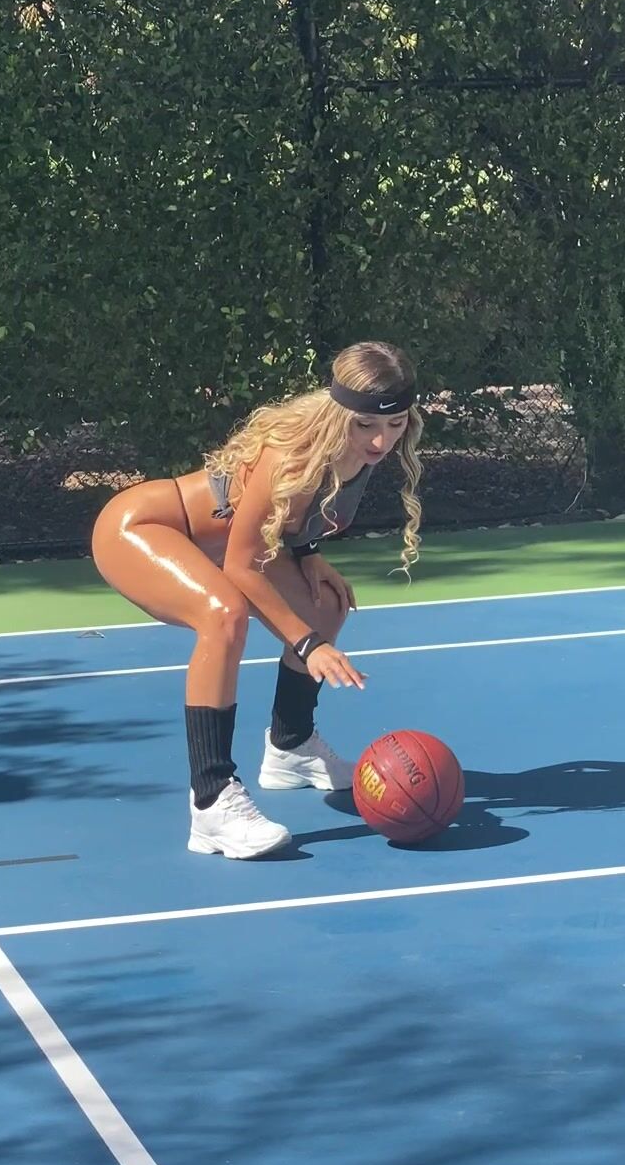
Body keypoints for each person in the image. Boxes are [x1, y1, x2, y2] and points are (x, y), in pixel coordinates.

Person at [90, 341, 423, 858]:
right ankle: (211, 800)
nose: (381, 439)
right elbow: (241, 564)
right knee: (223, 614)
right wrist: (309, 645)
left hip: (228, 545)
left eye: (395, 423)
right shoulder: (294, 453)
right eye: (366, 425)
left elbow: (291, 518)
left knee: (327, 603)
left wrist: (308, 554)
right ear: (340, 413)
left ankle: (291, 746)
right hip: (141, 528)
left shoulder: (361, 450)